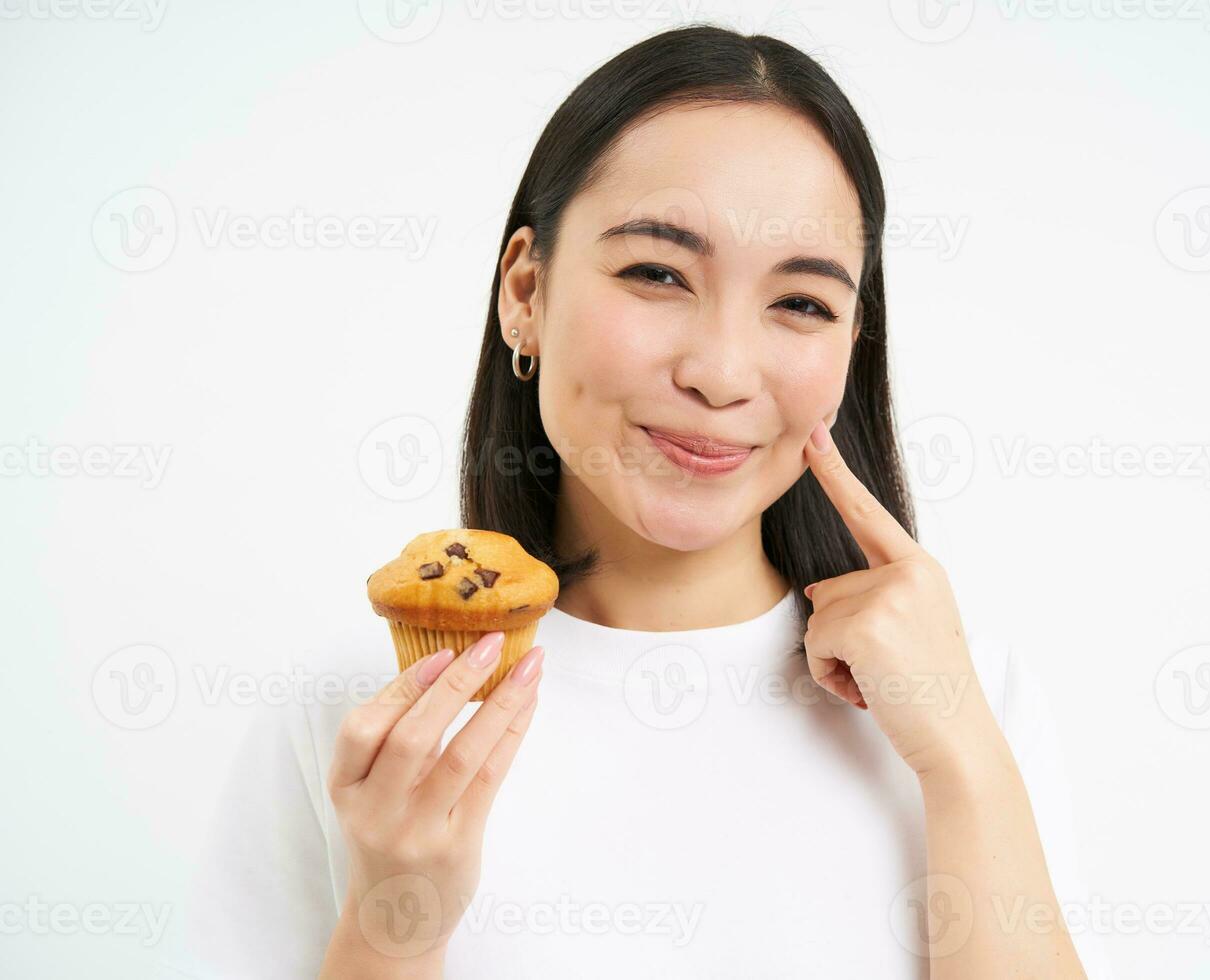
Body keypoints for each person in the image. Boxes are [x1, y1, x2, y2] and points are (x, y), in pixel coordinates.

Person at [163, 24, 1111, 979]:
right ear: (526, 290)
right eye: (658, 273)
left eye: (803, 303)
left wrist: (962, 764)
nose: (721, 373)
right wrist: (390, 931)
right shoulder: (361, 717)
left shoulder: (968, 706)